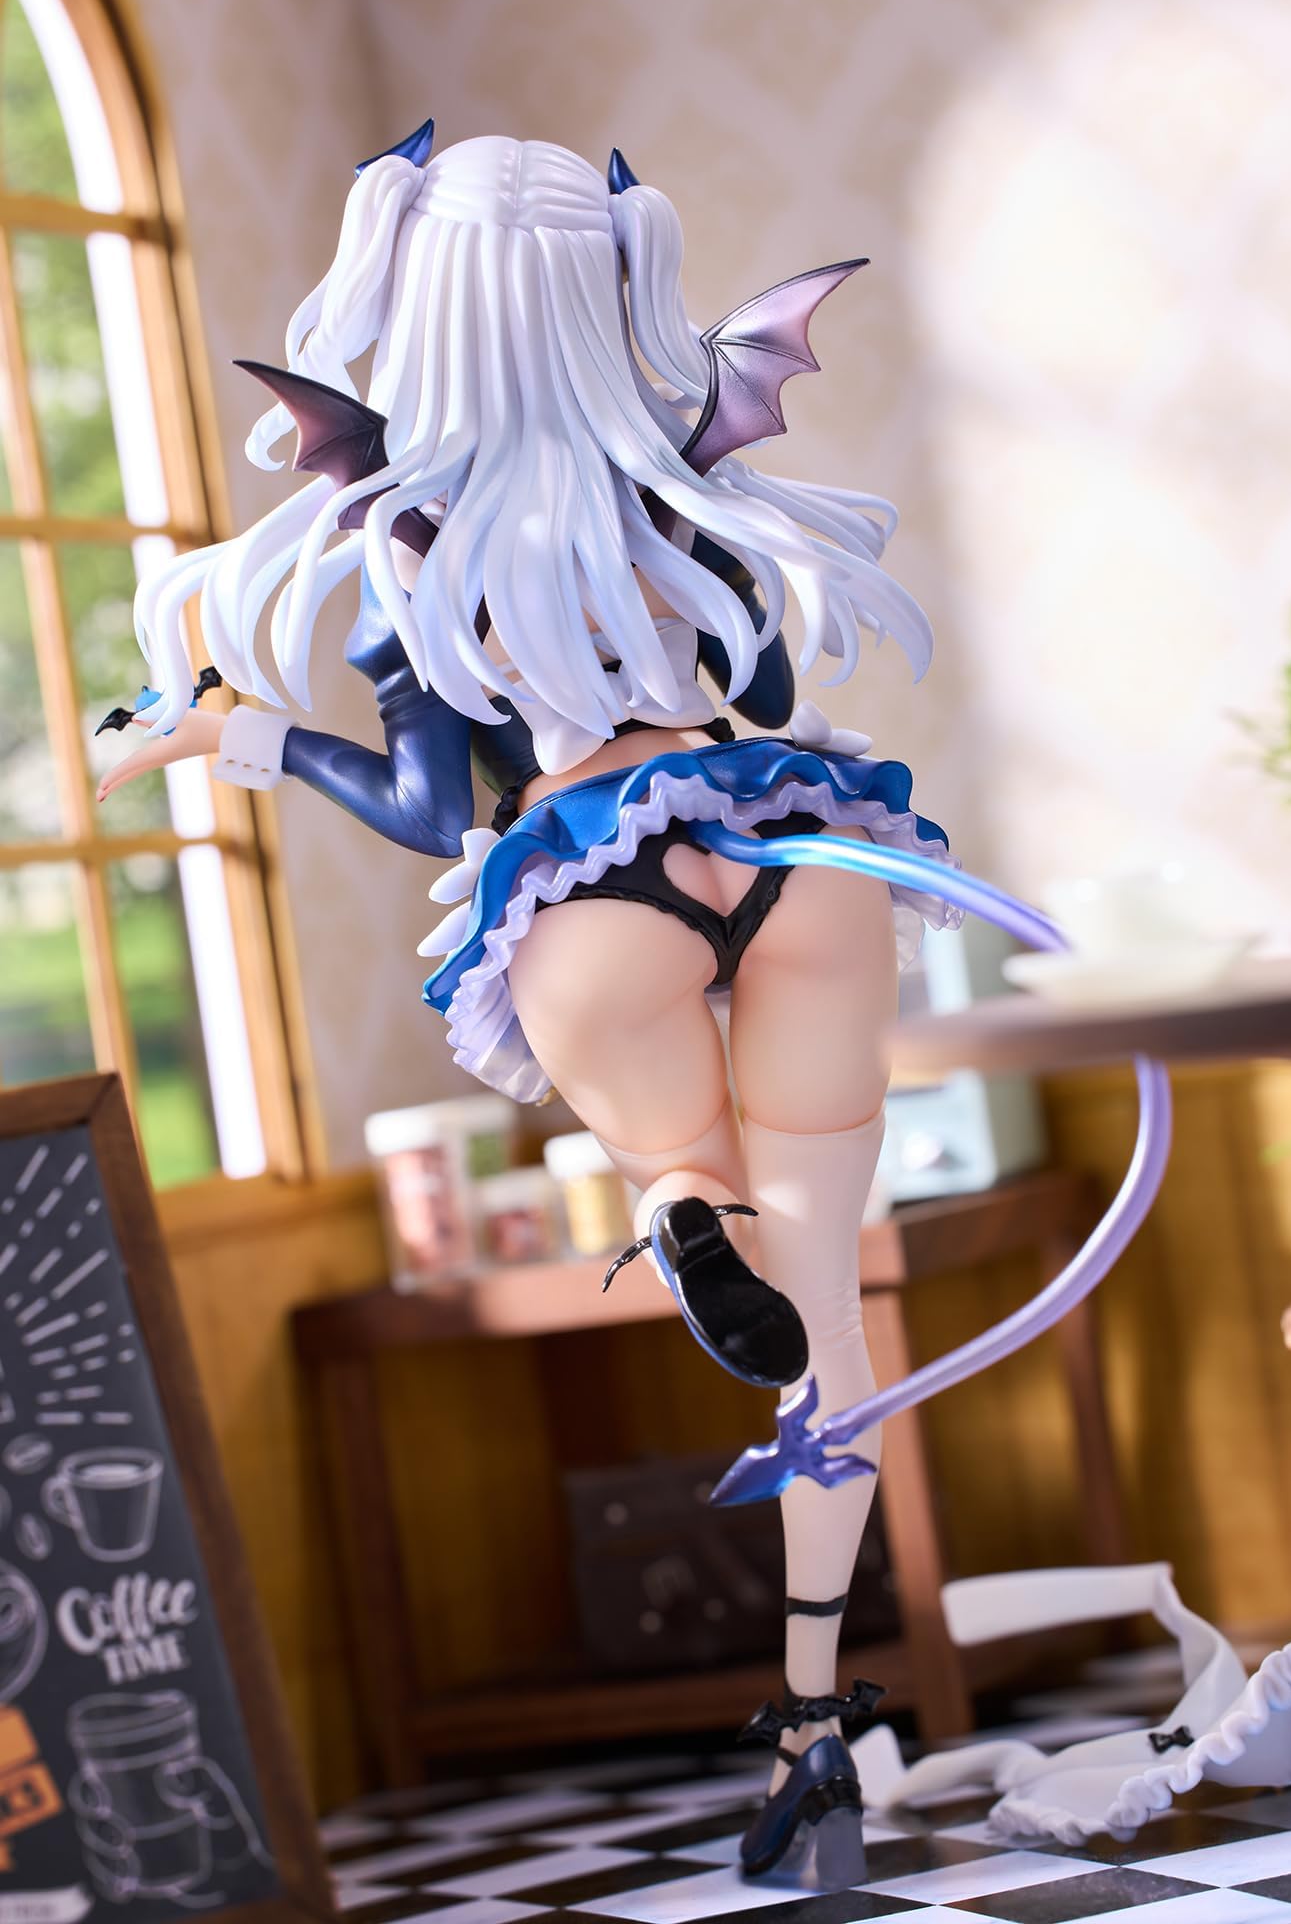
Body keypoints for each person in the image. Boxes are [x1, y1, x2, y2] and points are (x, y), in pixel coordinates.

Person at [101, 129, 963, 1888]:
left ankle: (676, 1207)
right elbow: (760, 691)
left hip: (590, 892)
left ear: (413, 306)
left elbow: (436, 814)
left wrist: (234, 735)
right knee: (829, 1310)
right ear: (610, 284)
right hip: (795, 849)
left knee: (682, 1162)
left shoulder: (409, 535)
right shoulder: (692, 487)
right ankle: (814, 1724)